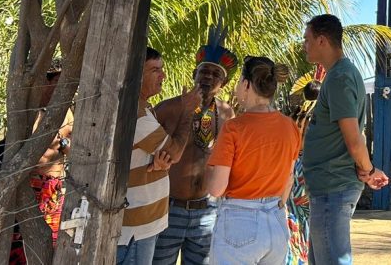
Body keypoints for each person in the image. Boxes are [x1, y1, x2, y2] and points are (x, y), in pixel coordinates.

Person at [301, 15, 389, 265]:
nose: (304, 45)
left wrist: (369, 170)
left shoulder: (339, 78)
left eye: (307, 39)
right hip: (328, 188)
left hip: (333, 188)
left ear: (321, 40)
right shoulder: (337, 75)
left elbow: (354, 137)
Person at [205, 56, 302, 265]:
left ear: (247, 84)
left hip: (239, 221)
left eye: (240, 81)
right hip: (276, 221)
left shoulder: (234, 128)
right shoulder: (290, 127)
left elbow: (216, 188)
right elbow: (288, 180)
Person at [153, 26, 237, 265]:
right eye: (204, 71)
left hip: (207, 212)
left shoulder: (226, 113)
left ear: (224, 82)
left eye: (215, 74)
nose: (208, 77)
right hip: (169, 209)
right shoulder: (168, 109)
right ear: (194, 74)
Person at [118, 48, 196, 265]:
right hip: (136, 230)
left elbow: (162, 155)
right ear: (135, 74)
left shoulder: (144, 109)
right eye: (155, 70)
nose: (163, 76)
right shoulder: (138, 115)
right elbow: (175, 152)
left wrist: (160, 163)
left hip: (142, 226)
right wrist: (188, 110)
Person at [30, 60, 73, 244]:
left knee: (52, 238)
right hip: (32, 184)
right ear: (47, 82)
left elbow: (74, 146)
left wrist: (63, 143)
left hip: (55, 186)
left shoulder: (68, 112)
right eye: (59, 82)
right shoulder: (31, 111)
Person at [287, 80, 320, 265]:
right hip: (308, 167)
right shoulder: (318, 117)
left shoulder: (294, 116)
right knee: (309, 221)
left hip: (291, 166)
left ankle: (297, 258)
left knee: (294, 222)